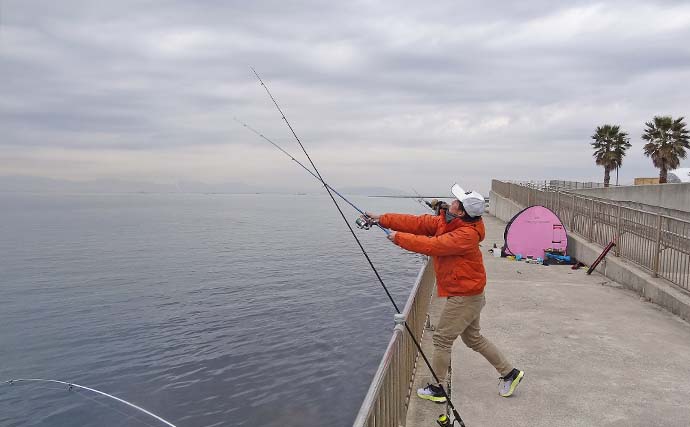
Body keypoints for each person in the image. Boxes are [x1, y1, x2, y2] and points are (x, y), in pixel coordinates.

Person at [365, 183, 524, 402]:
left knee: (441, 339)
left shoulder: (465, 235)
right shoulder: (448, 222)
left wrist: (398, 238)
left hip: (465, 296)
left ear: (462, 211)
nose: (452, 202)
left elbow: (433, 246)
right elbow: (417, 223)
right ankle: (510, 373)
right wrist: (381, 218)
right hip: (468, 292)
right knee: (474, 339)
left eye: (456, 202)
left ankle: (438, 389)